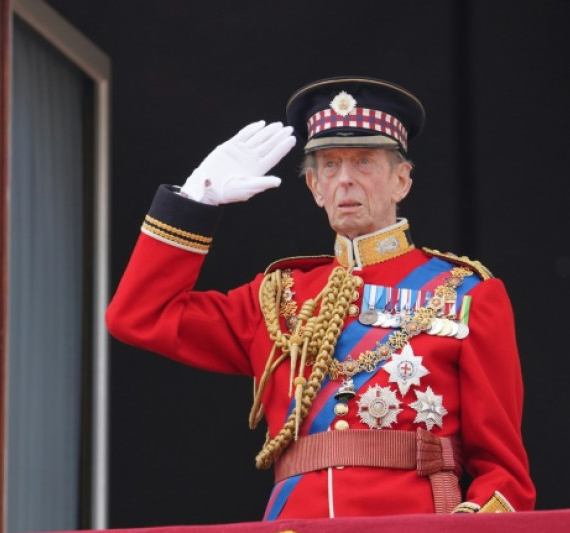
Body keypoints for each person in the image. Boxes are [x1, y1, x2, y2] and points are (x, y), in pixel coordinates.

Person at [105, 76, 535, 520]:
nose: (345, 180)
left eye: (364, 162)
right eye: (329, 166)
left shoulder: (466, 294)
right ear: (313, 186)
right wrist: (196, 201)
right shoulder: (276, 298)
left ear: (401, 180)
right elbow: (138, 315)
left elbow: (505, 474)